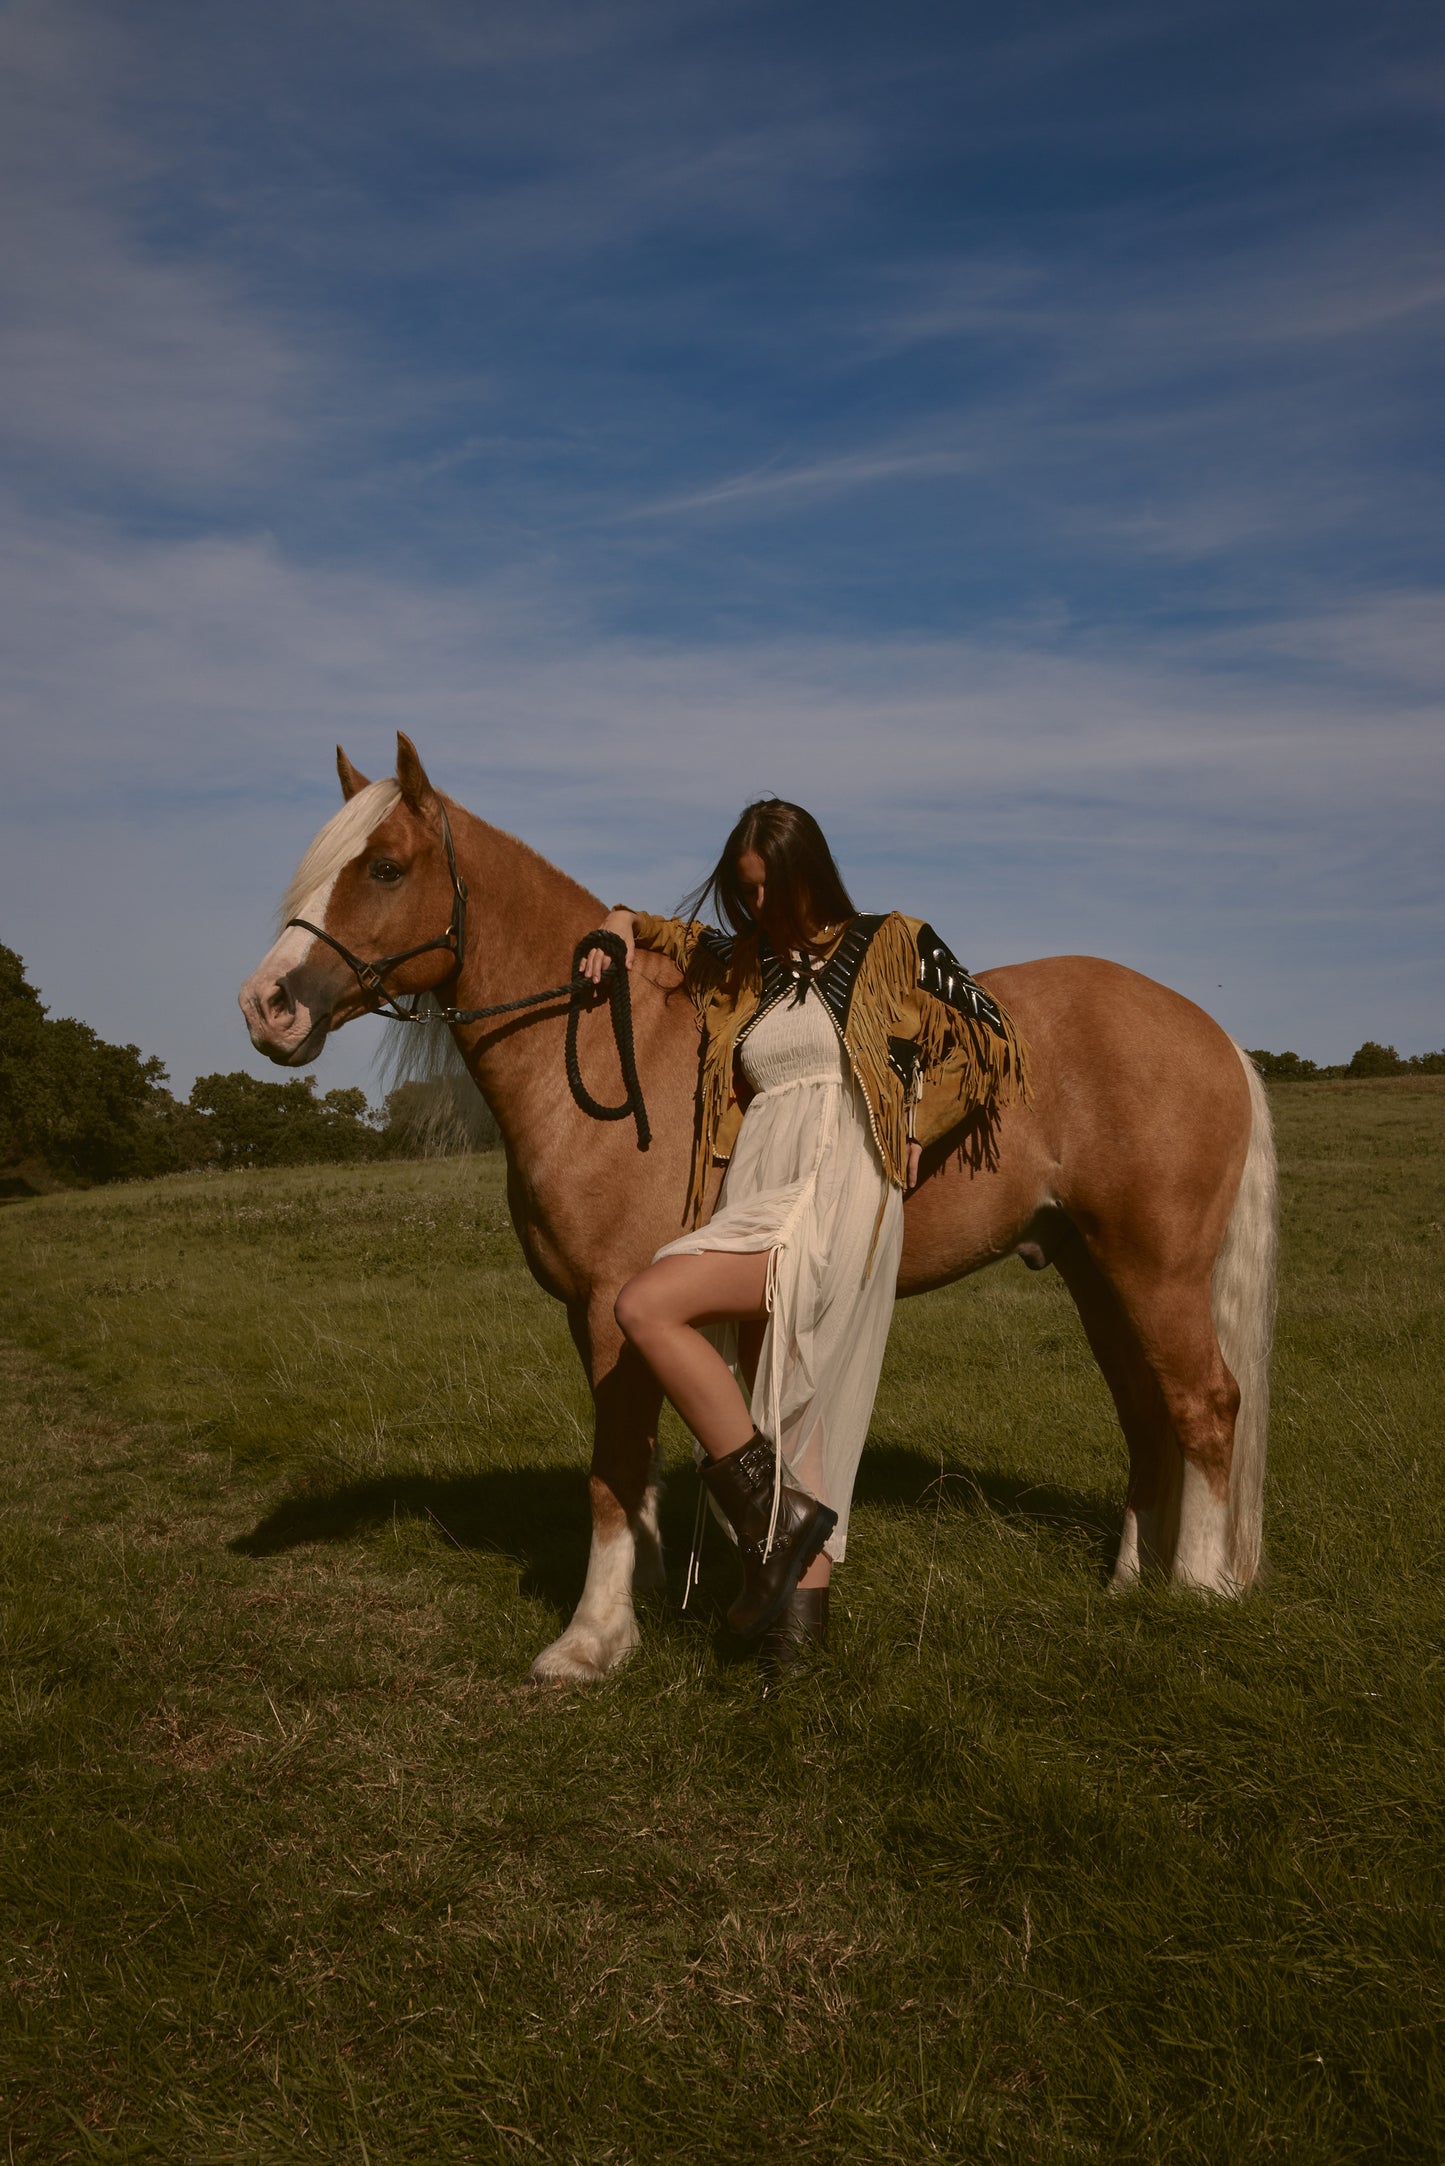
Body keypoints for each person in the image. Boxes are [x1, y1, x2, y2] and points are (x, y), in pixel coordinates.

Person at [580, 799, 1026, 1668]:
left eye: (766, 890)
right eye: (740, 893)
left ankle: (774, 1522)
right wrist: (611, 926)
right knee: (789, 1406)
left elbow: (988, 1033)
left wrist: (918, 1119)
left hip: (835, 1180)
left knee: (646, 1305)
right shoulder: (746, 962)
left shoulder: (893, 940)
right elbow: (652, 927)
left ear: (806, 873)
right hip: (760, 1178)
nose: (753, 909)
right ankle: (795, 1651)